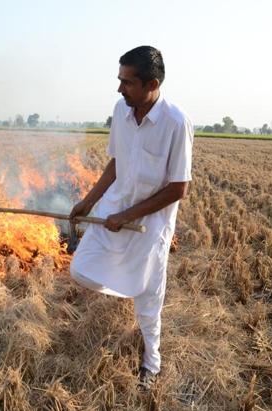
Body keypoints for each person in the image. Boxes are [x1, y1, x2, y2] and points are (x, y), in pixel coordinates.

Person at [69, 45, 194, 390]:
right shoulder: (120, 111)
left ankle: (151, 363)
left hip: (150, 222)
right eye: (120, 80)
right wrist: (89, 201)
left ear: (151, 84)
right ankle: (126, 285)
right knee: (80, 268)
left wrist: (129, 215)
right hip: (114, 208)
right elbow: (116, 163)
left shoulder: (176, 122)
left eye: (128, 82)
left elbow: (178, 188)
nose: (120, 89)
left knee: (149, 298)